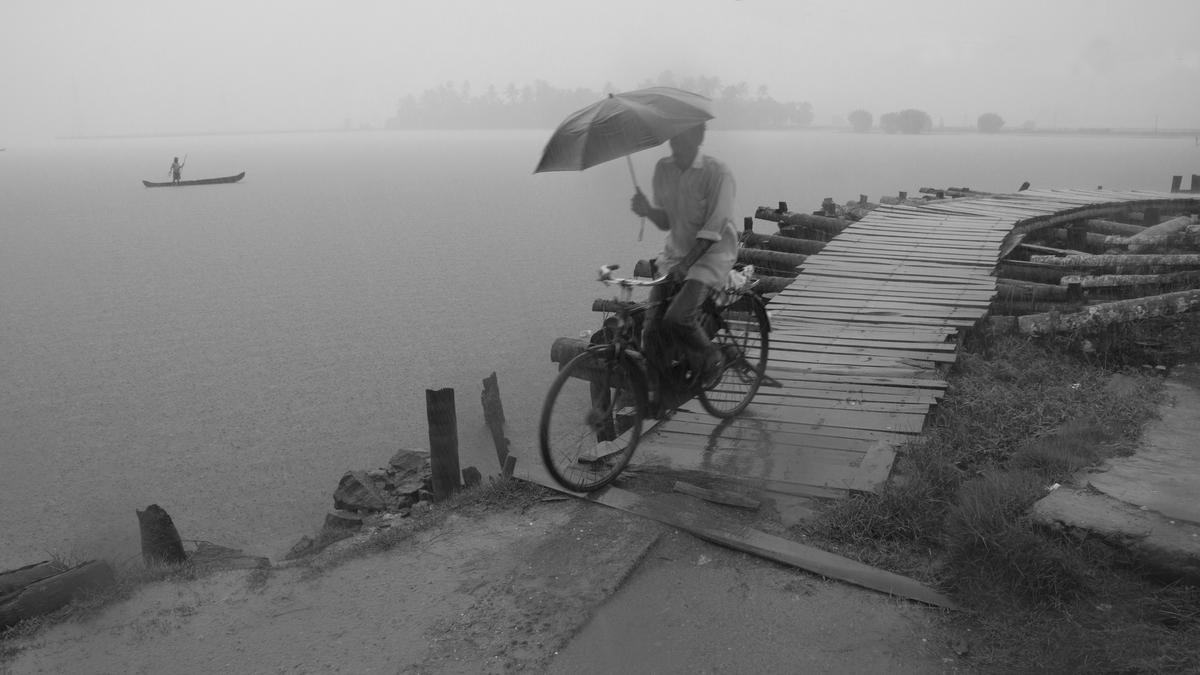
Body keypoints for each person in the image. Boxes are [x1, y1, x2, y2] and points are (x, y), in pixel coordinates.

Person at [629, 122, 738, 390]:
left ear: (699, 137)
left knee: (677, 317)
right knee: (651, 329)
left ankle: (712, 357)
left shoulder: (717, 173)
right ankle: (658, 394)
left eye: (683, 138)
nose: (676, 144)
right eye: (673, 138)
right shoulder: (663, 169)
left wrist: (686, 265)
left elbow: (713, 231)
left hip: (711, 257)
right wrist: (647, 211)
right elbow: (666, 221)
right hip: (673, 255)